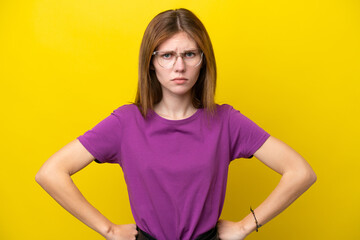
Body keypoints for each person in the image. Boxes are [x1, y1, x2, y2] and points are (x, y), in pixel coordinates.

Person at [35, 8, 317, 240]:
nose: (179, 66)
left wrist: (246, 225)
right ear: (151, 63)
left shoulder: (226, 121)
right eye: (167, 55)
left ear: (204, 62)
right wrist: (107, 229)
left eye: (190, 54)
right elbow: (51, 172)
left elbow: (300, 172)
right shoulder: (126, 122)